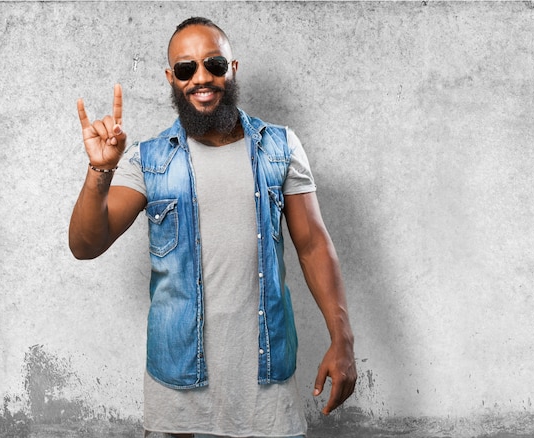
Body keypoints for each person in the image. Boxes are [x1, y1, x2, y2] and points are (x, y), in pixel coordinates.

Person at [69, 16, 356, 438]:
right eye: (186, 69)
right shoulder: (149, 160)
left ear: (232, 68)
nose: (201, 78)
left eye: (214, 64)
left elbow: (312, 244)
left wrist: (342, 337)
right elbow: (85, 245)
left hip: (266, 385)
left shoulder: (280, 146)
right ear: (172, 78)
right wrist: (100, 168)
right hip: (179, 392)